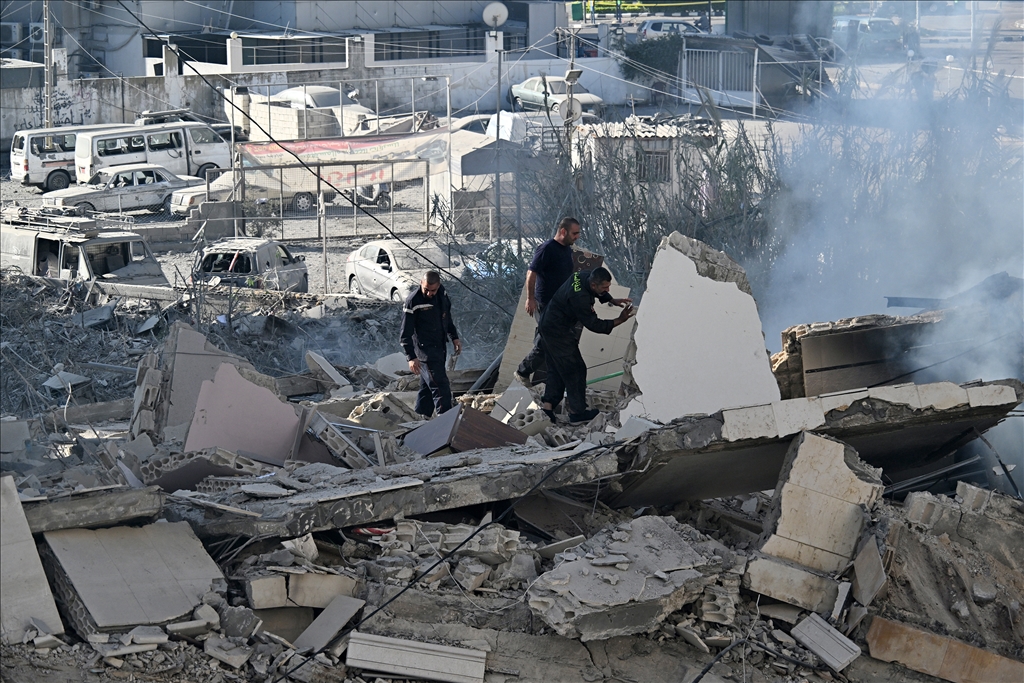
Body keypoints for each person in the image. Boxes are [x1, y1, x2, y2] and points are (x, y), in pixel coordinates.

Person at [539, 267, 633, 423]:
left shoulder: (583, 277)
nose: (607, 289)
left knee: (557, 368)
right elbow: (594, 325)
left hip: (549, 325)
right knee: (575, 369)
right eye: (604, 287)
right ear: (594, 285)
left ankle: (547, 409)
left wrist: (612, 300)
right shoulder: (580, 298)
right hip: (557, 331)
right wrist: (620, 319)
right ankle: (578, 413)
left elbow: (599, 292)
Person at [515, 217, 582, 385]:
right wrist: (530, 299)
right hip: (546, 304)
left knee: (556, 343)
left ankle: (555, 384)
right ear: (563, 231)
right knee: (547, 342)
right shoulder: (547, 249)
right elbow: (531, 273)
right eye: (574, 233)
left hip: (561, 305)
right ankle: (522, 372)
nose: (577, 237)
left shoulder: (567, 250)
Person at [400, 271, 462, 417]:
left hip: (440, 348)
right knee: (441, 388)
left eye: (432, 290)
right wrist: (411, 357)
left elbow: (447, 317)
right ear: (421, 283)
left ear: (438, 285)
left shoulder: (442, 294)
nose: (429, 293)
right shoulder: (413, 301)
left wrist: (454, 337)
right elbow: (405, 334)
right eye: (426, 289)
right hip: (425, 353)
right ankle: (446, 422)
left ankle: (419, 421)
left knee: (427, 391)